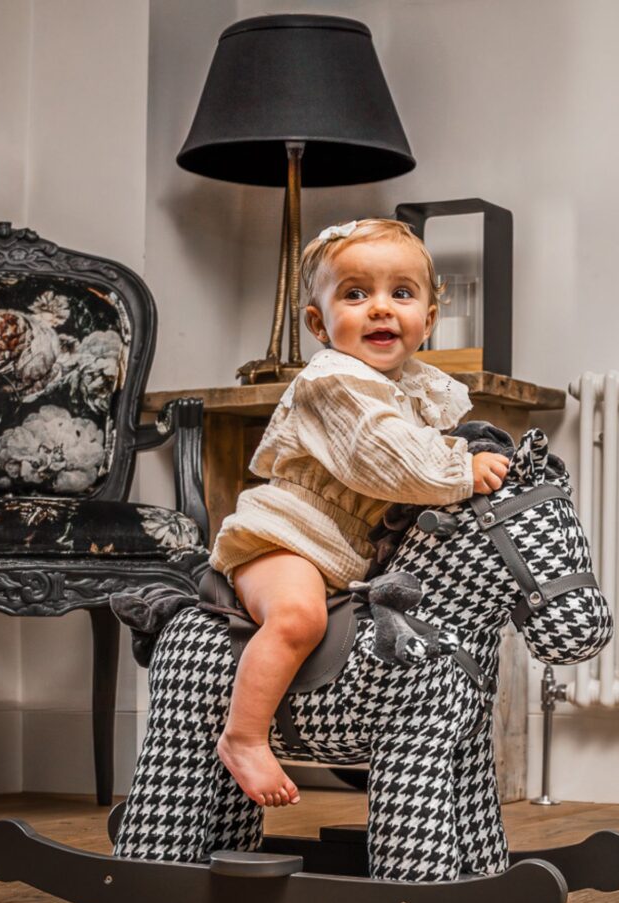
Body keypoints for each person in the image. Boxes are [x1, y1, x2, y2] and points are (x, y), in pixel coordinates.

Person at [209, 218, 509, 808]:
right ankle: (242, 737)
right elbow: (384, 456)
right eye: (355, 293)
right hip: (285, 536)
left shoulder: (418, 389)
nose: (380, 309)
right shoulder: (334, 381)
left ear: (428, 318)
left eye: (401, 293)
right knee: (299, 620)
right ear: (318, 323)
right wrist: (459, 468)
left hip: (348, 555)